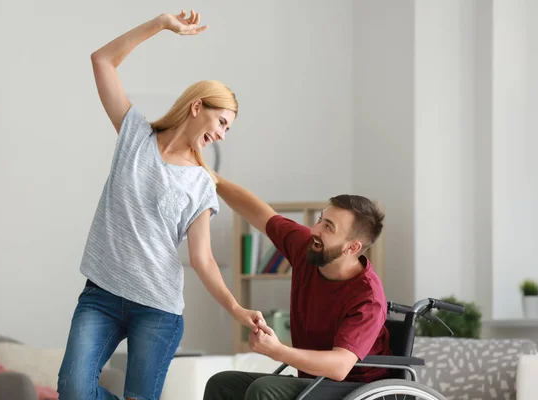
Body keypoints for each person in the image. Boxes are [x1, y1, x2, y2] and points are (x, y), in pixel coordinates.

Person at [57, 10, 265, 400]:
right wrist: (161, 24)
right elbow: (101, 60)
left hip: (157, 308)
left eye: (228, 129)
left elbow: (202, 259)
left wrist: (237, 310)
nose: (222, 135)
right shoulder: (134, 134)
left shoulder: (201, 182)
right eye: (221, 122)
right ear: (197, 106)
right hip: (101, 295)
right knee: (73, 391)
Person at [203, 175, 393, 400]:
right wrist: (214, 180)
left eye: (328, 227)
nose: (315, 229)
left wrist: (277, 351)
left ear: (352, 247)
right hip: (315, 382)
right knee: (222, 384)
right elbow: (260, 214)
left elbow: (340, 367)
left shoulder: (367, 297)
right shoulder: (309, 248)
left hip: (356, 388)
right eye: (321, 220)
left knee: (264, 390)